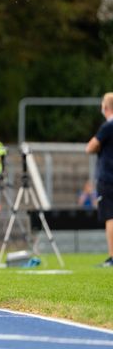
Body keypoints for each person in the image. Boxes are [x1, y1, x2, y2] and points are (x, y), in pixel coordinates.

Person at [86, 92, 113, 267]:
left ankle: (112, 257)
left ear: (105, 107)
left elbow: (90, 147)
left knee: (110, 217)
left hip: (109, 178)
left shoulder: (108, 126)